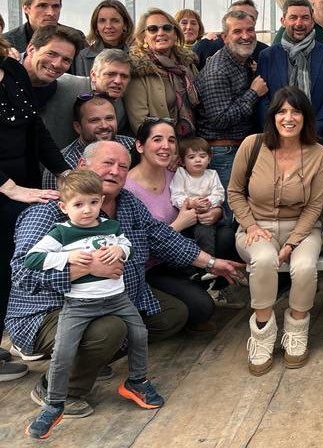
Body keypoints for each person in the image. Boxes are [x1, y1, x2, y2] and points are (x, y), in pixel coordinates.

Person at [7, 140, 242, 417]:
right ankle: (57, 388)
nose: (115, 171)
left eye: (122, 166)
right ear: (82, 166)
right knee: (110, 329)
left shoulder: (128, 202)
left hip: (114, 297)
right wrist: (87, 268)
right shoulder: (47, 210)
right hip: (46, 312)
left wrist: (213, 263)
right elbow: (22, 270)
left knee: (173, 314)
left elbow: (163, 237)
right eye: (107, 163)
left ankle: (93, 356)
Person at [25, 171, 162, 439]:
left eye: (92, 203)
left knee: (139, 333)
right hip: (79, 305)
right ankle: (54, 404)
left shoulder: (110, 226)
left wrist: (120, 251)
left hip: (117, 299)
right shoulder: (61, 233)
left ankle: (136, 381)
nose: (87, 210)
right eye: (78, 205)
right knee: (63, 352)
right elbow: (32, 259)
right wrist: (69, 258)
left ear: (100, 201)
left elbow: (126, 244)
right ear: (64, 207)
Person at [229, 87, 323, 374]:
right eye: (282, 111)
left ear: (305, 117)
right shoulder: (252, 145)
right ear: (272, 116)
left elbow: (314, 206)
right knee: (262, 260)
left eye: (295, 111)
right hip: (256, 227)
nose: (288, 118)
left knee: (305, 266)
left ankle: (297, 329)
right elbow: (235, 192)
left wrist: (293, 241)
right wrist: (249, 225)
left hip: (303, 227)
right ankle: (262, 332)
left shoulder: (319, 155)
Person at [0, 35, 69, 381]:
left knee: (6, 266)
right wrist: (8, 187)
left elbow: (36, 128)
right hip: (8, 188)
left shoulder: (12, 70)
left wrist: (64, 171)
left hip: (20, 189)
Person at [124, 119, 221, 331]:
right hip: (151, 266)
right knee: (201, 309)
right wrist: (178, 223)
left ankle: (200, 285)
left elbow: (204, 201)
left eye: (171, 140)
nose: (165, 146)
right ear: (140, 146)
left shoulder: (177, 175)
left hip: (181, 255)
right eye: (157, 139)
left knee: (224, 235)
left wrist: (214, 211)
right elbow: (135, 247)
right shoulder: (127, 190)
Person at [196, 9, 268, 191]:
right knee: (229, 211)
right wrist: (253, 93)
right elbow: (220, 119)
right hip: (224, 153)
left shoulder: (242, 60)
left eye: (250, 30)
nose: (246, 36)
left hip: (237, 149)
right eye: (237, 31)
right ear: (225, 37)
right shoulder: (218, 70)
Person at [258, 0, 323, 147]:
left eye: (305, 18)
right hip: (277, 139)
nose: (299, 23)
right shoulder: (268, 56)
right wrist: (280, 131)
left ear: (312, 20)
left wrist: (311, 131)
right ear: (283, 21)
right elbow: (263, 100)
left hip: (318, 139)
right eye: (293, 17)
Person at [124, 8, 200, 136]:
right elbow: (140, 122)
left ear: (175, 33)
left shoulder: (187, 64)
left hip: (193, 146)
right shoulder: (138, 69)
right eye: (153, 29)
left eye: (167, 28)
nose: (161, 33)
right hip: (161, 147)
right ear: (143, 36)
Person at [41, 92, 136, 190]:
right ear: (78, 127)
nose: (104, 125)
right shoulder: (61, 164)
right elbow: (54, 204)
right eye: (94, 120)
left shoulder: (132, 146)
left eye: (109, 118)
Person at [170, 136, 228, 272]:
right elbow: (176, 195)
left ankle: (208, 267)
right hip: (185, 217)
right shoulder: (181, 173)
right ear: (182, 161)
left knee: (205, 233)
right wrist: (190, 202)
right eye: (191, 157)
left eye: (202, 156)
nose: (197, 160)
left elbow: (219, 193)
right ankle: (192, 269)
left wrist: (209, 202)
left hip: (206, 215)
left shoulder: (212, 174)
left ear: (209, 159)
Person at [25, 26, 86, 148]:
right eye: (51, 54)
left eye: (66, 60)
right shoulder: (5, 73)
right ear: (31, 50)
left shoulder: (55, 87)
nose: (57, 64)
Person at [2, 0, 85, 69]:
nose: (51, 13)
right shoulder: (6, 42)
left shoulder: (76, 37)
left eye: (55, 6)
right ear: (26, 8)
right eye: (42, 6)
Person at [193, 0, 269, 70]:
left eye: (250, 17)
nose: (244, 19)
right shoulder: (204, 47)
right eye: (238, 15)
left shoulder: (265, 52)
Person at [74, 0, 133, 75]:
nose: (108, 26)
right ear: (96, 26)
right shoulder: (84, 57)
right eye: (102, 21)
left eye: (115, 20)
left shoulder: (135, 57)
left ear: (125, 24)